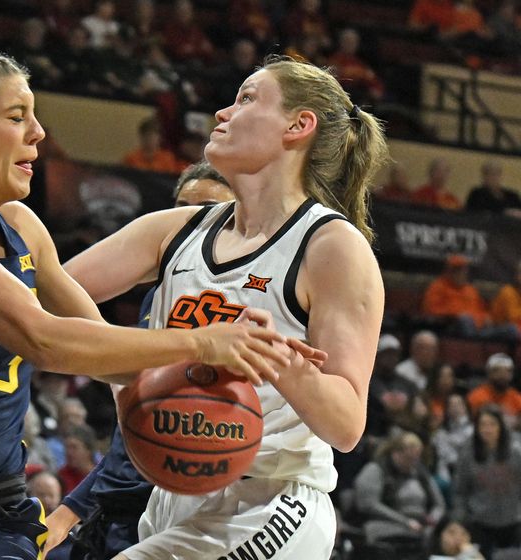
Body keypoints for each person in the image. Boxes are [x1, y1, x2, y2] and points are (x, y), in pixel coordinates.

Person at [0, 48, 289, 560]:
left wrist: (183, 411)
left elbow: (97, 340)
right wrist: (198, 342)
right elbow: (47, 341)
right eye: (17, 118)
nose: (39, 132)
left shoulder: (21, 226)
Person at [50, 55, 388, 559]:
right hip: (171, 490)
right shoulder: (174, 229)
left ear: (299, 126)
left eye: (247, 98)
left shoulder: (331, 245)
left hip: (270, 500)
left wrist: (279, 361)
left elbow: (345, 425)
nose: (221, 114)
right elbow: (46, 302)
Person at [44, 161, 235, 560]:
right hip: (116, 503)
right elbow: (134, 433)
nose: (191, 222)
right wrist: (70, 510)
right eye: (182, 208)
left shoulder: (245, 309)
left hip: (189, 511)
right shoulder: (156, 299)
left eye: (208, 212)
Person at [452, 405, 521, 559]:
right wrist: (459, 521)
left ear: (501, 427)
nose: (487, 429)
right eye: (482, 424)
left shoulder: (516, 452)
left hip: (513, 521)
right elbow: (460, 491)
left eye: (492, 424)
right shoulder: (468, 454)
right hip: (480, 522)